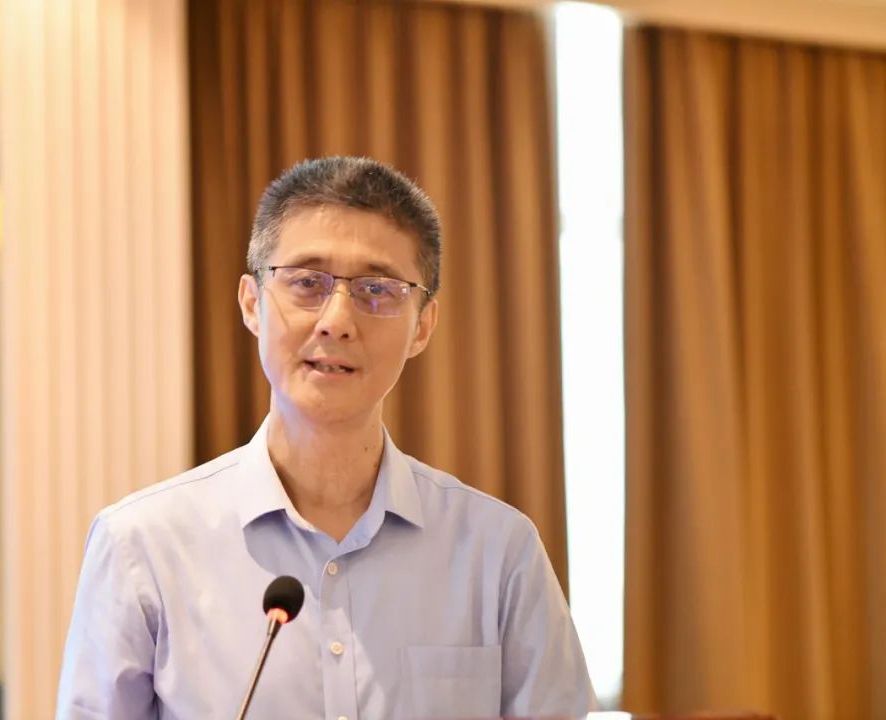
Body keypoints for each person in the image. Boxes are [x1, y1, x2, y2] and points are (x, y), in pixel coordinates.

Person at [56, 156, 596, 719]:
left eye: (377, 289)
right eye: (307, 283)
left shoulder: (498, 553)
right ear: (252, 304)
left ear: (423, 326)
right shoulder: (142, 547)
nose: (337, 320)